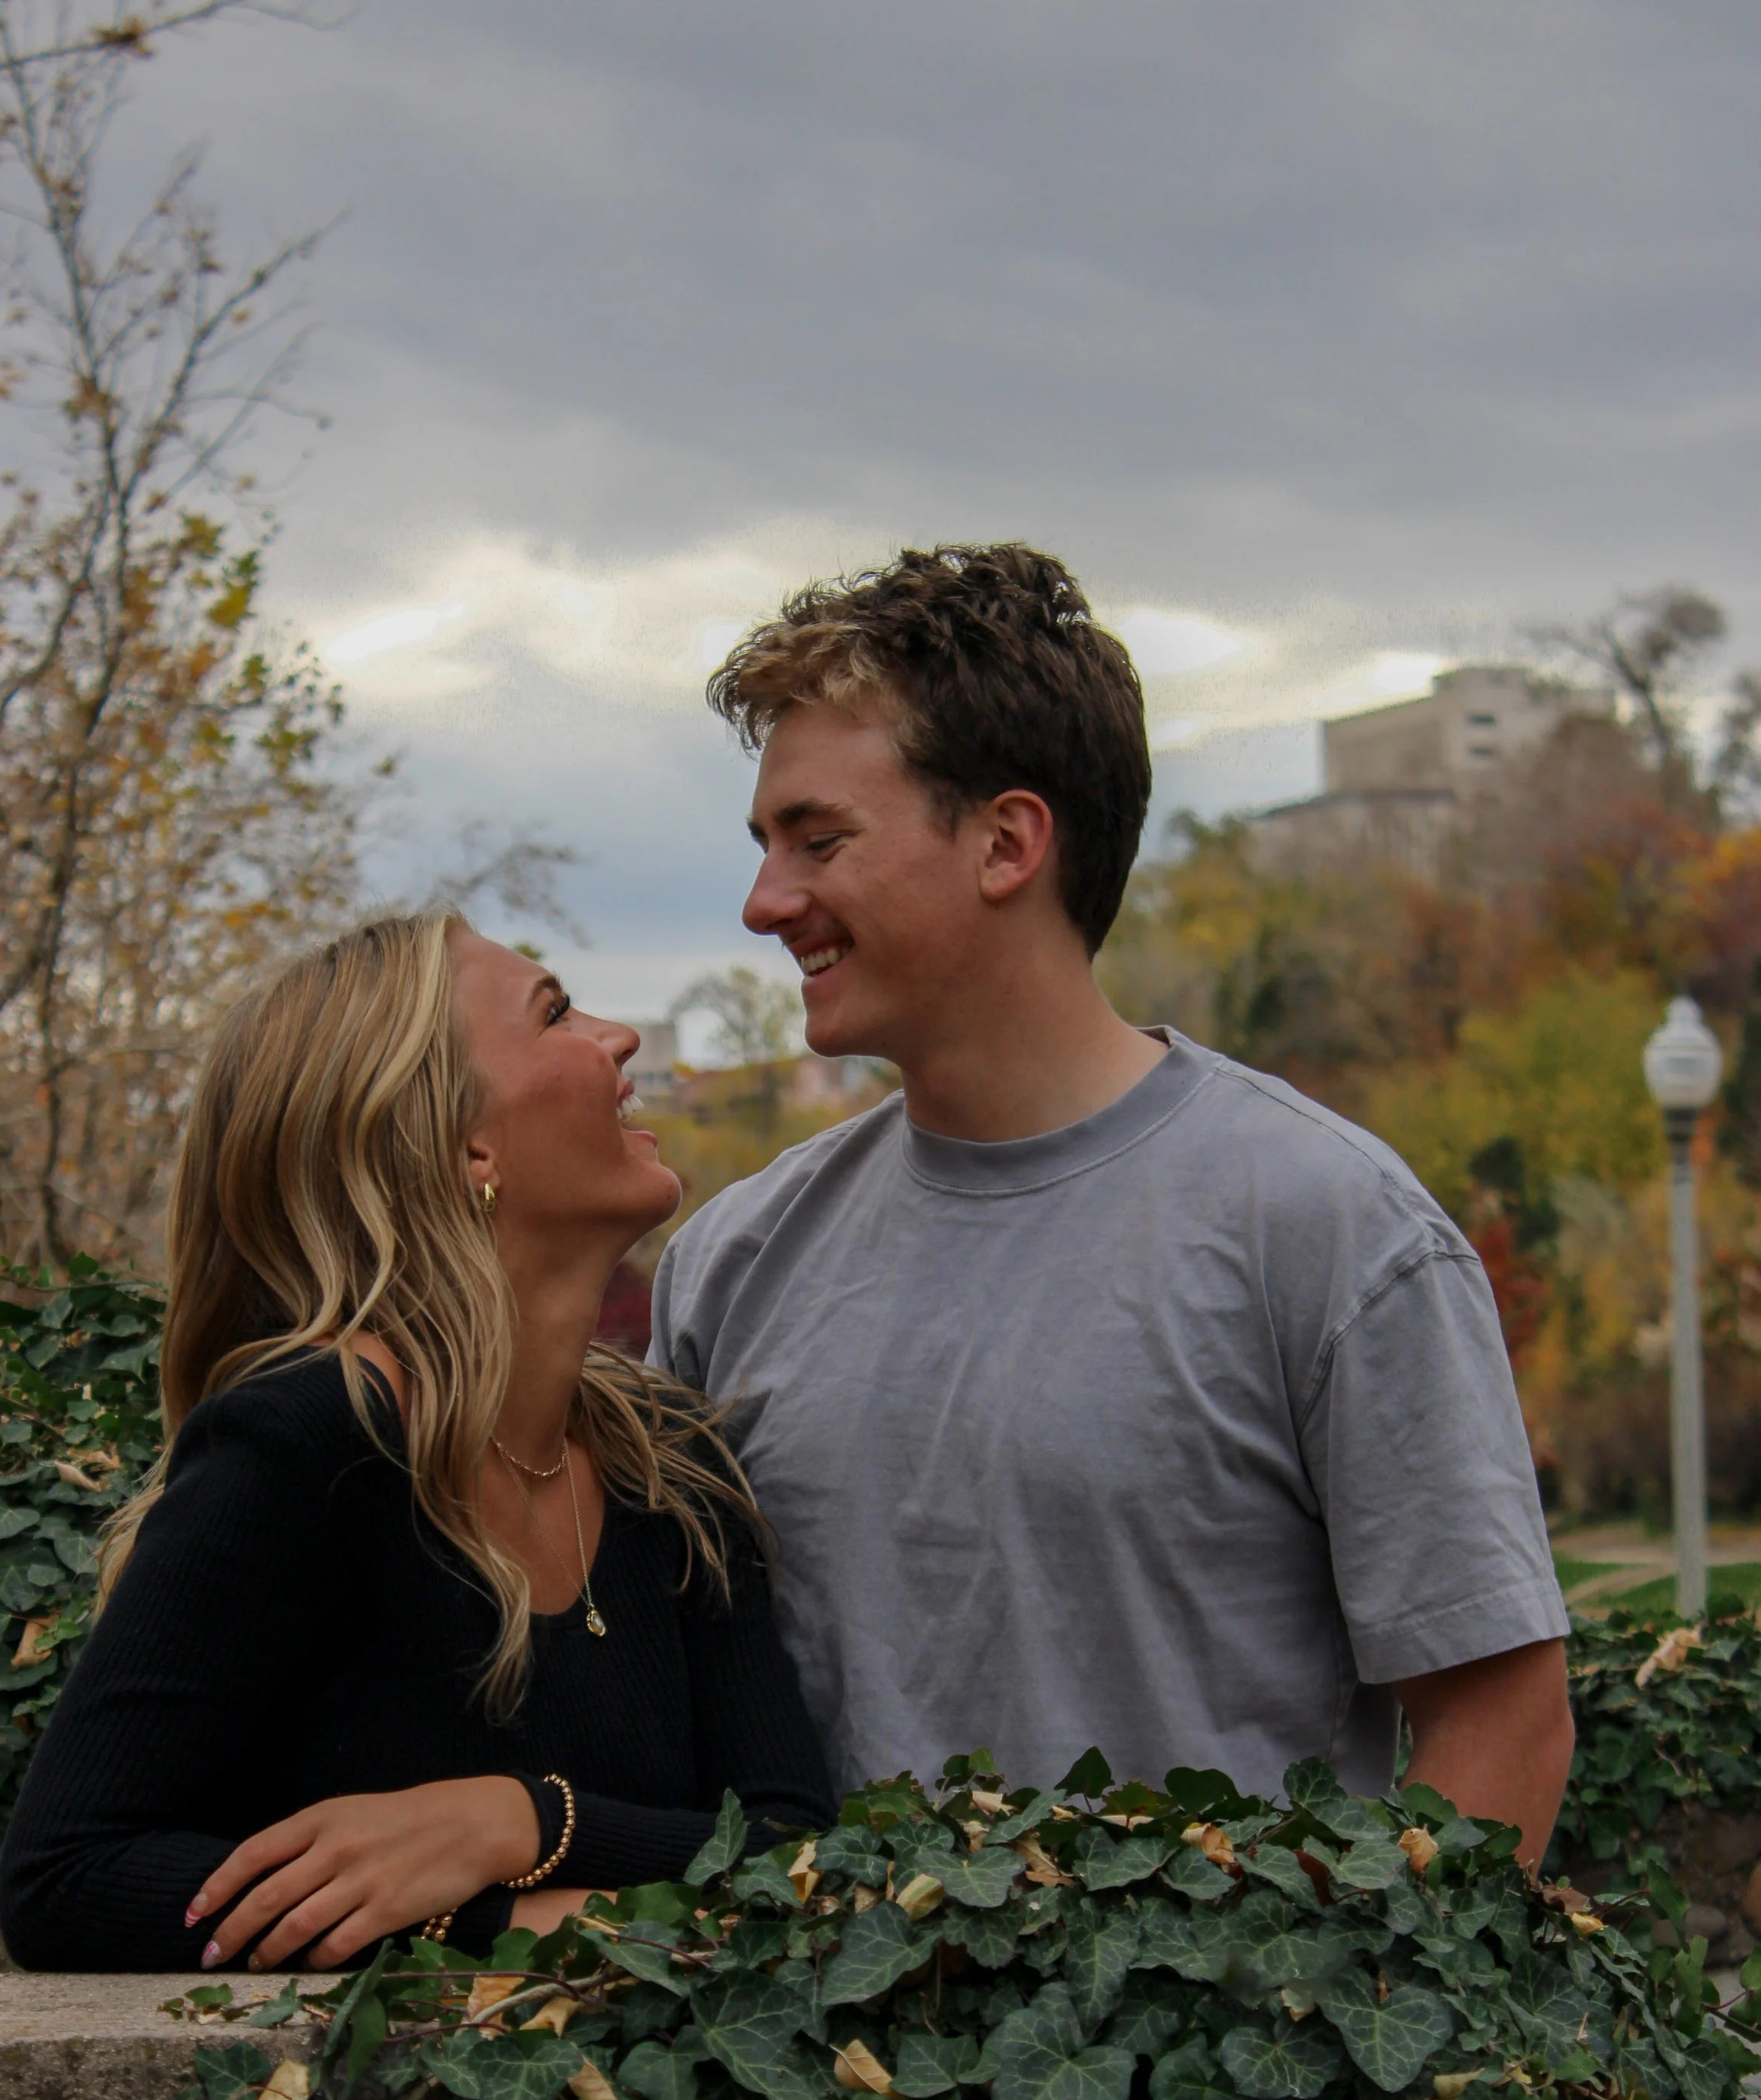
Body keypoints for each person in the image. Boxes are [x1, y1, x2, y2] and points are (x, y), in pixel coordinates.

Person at [651, 543, 1574, 1864]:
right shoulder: (732, 1261)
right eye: (765, 845)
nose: (764, 902)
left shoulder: (1329, 1227)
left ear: (1008, 842)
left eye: (820, 839)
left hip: (1231, 2070)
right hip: (823, 2069)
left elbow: (1503, 1727)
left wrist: (1341, 2047)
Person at [0, 911, 831, 1973]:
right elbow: (64, 1876)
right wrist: (490, 1924)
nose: (619, 1036)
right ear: (466, 1145)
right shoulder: (310, 1444)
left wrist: (522, 1823)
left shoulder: (671, 1467)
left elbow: (795, 1849)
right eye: (558, 1012)